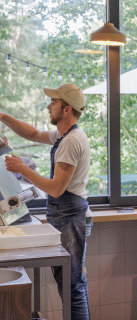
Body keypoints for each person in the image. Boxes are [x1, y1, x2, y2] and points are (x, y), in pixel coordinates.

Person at [0, 83, 91, 320]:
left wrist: (22, 169)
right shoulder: (62, 136)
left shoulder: (72, 141)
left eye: (54, 103)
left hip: (71, 217)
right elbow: (31, 134)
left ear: (67, 109)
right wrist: (2, 116)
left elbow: (57, 189)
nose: (49, 106)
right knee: (70, 282)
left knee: (72, 285)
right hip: (65, 216)